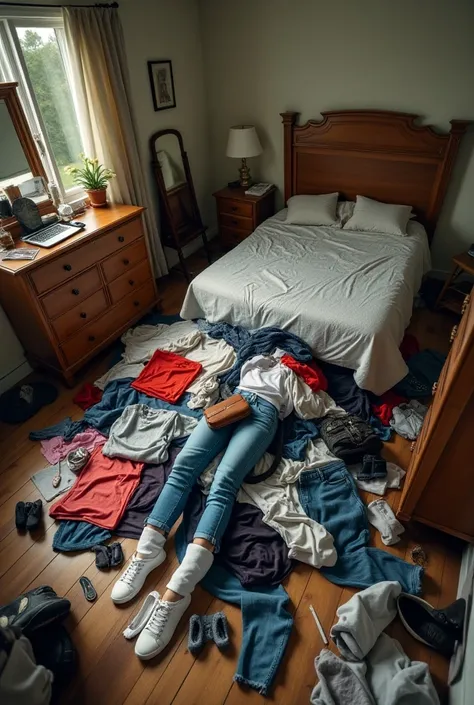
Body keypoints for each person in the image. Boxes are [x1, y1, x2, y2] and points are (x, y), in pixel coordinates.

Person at [111, 350, 338, 660]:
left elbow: (311, 406)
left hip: (266, 414)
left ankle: (178, 592)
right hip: (234, 402)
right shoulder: (261, 355)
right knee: (183, 468)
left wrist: (301, 381)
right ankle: (147, 553)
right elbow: (235, 371)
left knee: (224, 482)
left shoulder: (300, 373)